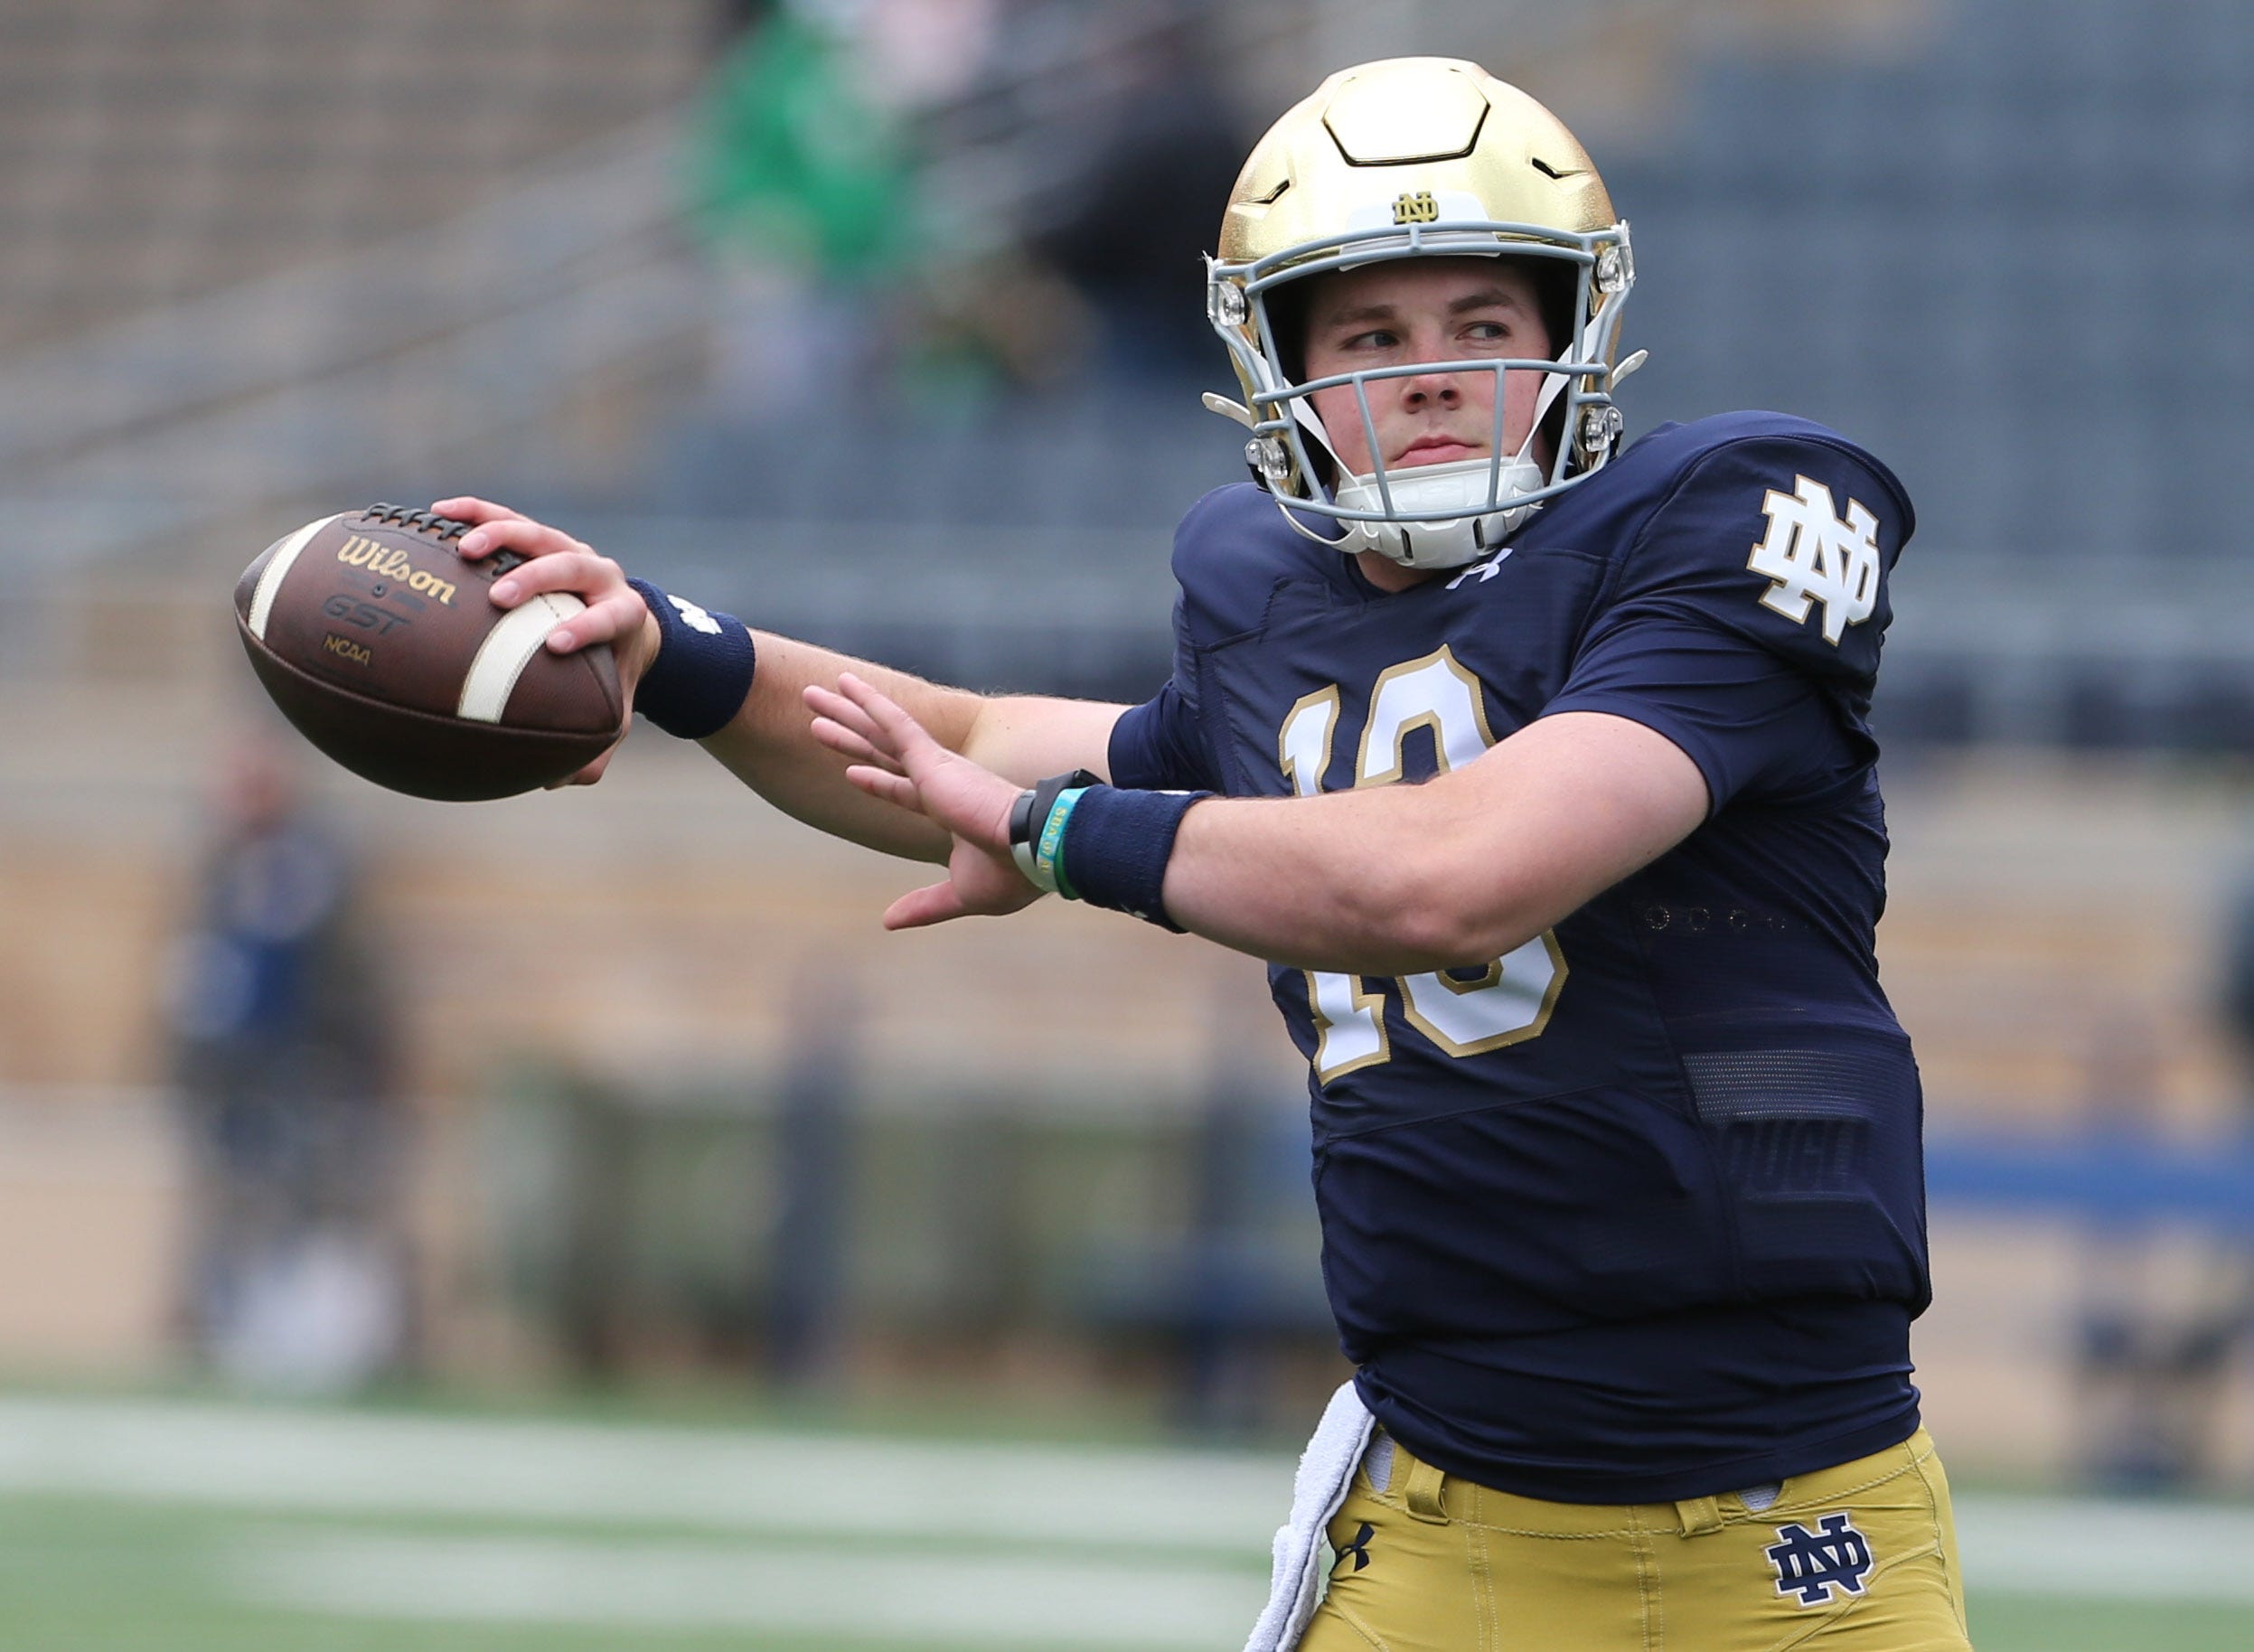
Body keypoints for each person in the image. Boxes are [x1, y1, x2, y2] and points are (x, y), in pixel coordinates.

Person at [437, 56, 1965, 1652]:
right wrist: (672, 652)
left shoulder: (1721, 522)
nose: (1427, 377)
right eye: (1369, 336)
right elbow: (955, 748)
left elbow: (1449, 875)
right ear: (1270, 365)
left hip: (1796, 1543)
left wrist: (1051, 835)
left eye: (1480, 328)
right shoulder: (1266, 609)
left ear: (1573, 337)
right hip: (1440, 1535)